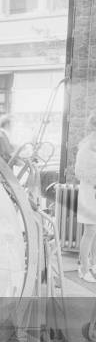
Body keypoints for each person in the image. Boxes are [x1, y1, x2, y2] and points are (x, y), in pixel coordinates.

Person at [75, 112, 96, 283]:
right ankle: (83, 268)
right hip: (89, 193)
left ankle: (94, 264)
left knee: (95, 232)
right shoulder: (86, 146)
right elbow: (79, 172)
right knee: (90, 232)